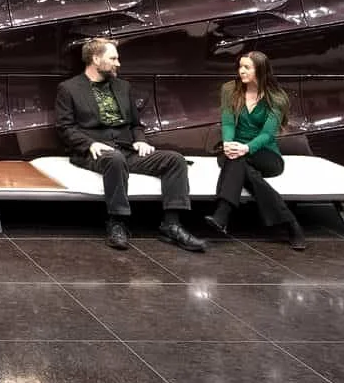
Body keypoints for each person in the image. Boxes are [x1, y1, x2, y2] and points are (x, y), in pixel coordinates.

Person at [55, 37, 206, 252]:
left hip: (126, 149)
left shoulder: (123, 86)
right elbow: (64, 128)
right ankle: (117, 222)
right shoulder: (69, 88)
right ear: (96, 59)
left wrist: (141, 140)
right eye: (113, 58)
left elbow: (136, 124)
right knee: (114, 159)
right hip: (94, 152)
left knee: (175, 160)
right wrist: (89, 144)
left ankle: (171, 225)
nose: (118, 63)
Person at [206, 50, 306, 250]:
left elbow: (268, 134)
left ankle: (223, 214)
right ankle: (290, 222)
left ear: (260, 70)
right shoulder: (229, 89)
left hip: (265, 154)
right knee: (239, 162)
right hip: (233, 151)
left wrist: (246, 147)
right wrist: (228, 143)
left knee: (240, 161)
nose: (241, 71)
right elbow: (227, 122)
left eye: (247, 67)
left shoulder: (277, 97)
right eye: (240, 66)